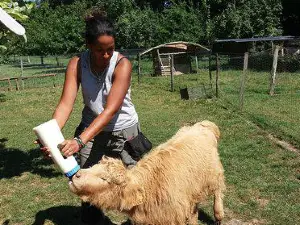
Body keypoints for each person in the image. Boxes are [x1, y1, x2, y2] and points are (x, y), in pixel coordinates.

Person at [37, 9, 141, 225]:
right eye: (99, 50)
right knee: (86, 185)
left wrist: (78, 141)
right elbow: (65, 105)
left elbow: (110, 110)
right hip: (90, 133)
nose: (105, 55)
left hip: (124, 132)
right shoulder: (77, 63)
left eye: (110, 49)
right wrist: (50, 137)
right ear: (88, 45)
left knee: (136, 187)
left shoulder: (123, 65)